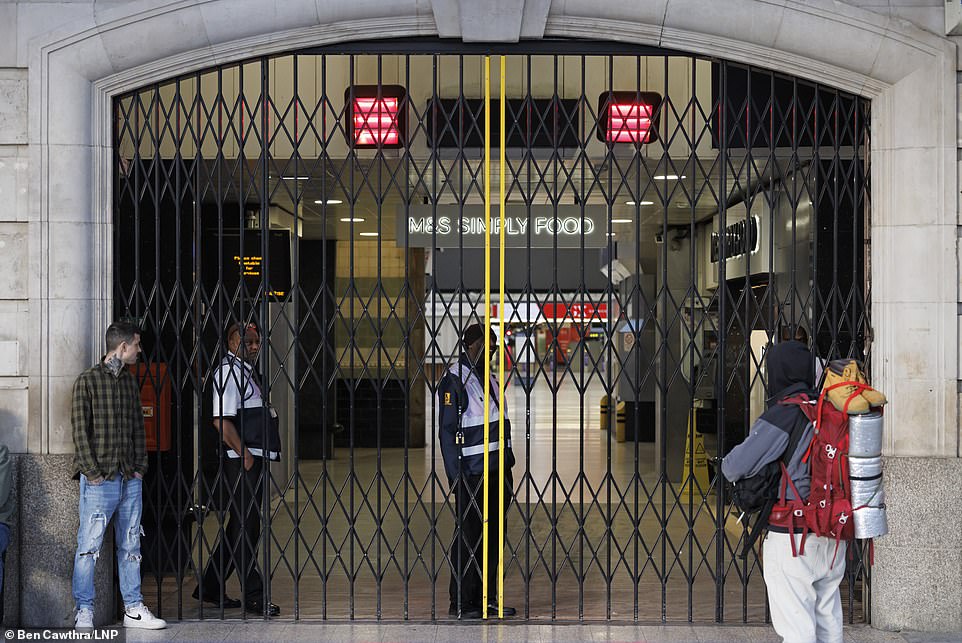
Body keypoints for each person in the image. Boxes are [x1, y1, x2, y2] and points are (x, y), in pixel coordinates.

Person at [722, 339, 844, 643]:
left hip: (793, 537)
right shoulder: (832, 411)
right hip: (833, 533)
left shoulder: (784, 414)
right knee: (828, 621)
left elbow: (733, 466)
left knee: (796, 628)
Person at [71, 321, 167, 631]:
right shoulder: (87, 381)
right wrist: (93, 472)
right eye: (137, 345)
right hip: (101, 480)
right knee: (89, 546)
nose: (140, 351)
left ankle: (134, 607)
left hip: (130, 478)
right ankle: (84, 609)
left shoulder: (128, 382)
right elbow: (80, 431)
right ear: (122, 347)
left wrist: (140, 468)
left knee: (131, 545)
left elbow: (138, 428)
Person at [193, 322, 281, 616]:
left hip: (250, 456)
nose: (255, 347)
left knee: (240, 525)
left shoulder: (244, 370)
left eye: (257, 342)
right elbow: (220, 419)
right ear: (232, 342)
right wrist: (244, 454)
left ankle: (211, 586)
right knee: (247, 526)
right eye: (248, 342)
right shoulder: (227, 372)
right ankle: (254, 595)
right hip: (241, 459)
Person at [438, 323, 516, 619]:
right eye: (487, 346)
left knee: (495, 537)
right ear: (471, 345)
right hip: (471, 474)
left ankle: (489, 597)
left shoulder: (493, 381)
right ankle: (462, 601)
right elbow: (447, 432)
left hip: (498, 472)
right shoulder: (455, 381)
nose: (491, 351)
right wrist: (455, 477)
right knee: (470, 537)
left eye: (495, 347)